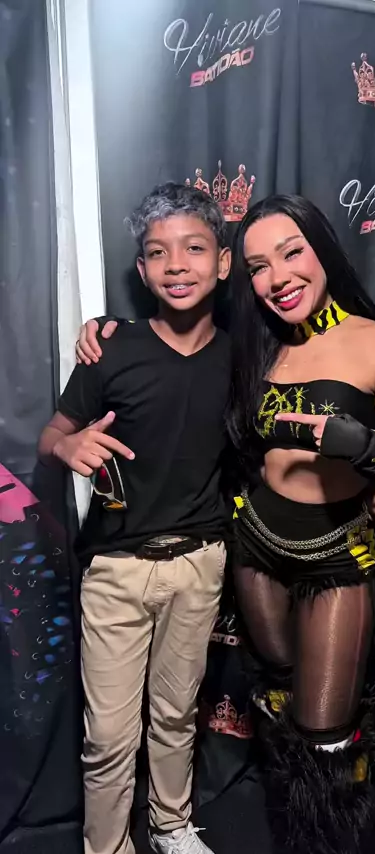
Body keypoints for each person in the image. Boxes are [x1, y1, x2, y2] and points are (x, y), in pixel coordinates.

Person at [75, 194, 375, 854]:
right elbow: (172, 346)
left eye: (292, 254)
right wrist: (103, 328)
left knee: (325, 730)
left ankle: (325, 841)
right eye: (260, 266)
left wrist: (361, 446)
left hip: (336, 555)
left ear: (323, 250)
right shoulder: (254, 345)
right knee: (276, 694)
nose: (278, 277)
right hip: (253, 549)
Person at [38, 182, 232, 854]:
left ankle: (171, 825)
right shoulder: (111, 348)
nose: (176, 264)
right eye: (157, 252)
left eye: (194, 248)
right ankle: (108, 845)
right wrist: (68, 447)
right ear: (142, 270)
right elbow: (51, 436)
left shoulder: (243, 356)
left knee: (177, 717)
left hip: (199, 565)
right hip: (116, 571)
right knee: (109, 737)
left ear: (223, 262)